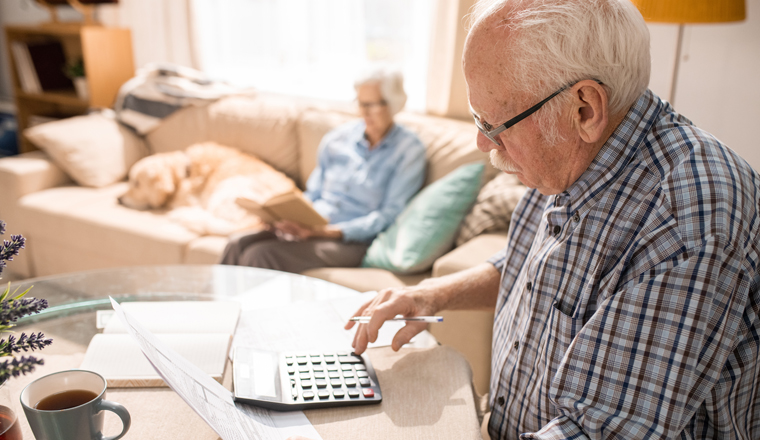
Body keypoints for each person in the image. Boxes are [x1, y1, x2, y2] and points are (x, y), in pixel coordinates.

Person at [312, 1, 758, 439]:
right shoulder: (577, 153)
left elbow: (599, 432)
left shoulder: (689, 219)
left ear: (584, 107)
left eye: (494, 124)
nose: (483, 144)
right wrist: (430, 294)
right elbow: (527, 267)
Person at [220, 68, 426, 274]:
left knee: (261, 254)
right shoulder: (337, 139)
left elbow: (389, 216)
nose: (364, 112)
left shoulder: (408, 151)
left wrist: (328, 233)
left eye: (371, 105)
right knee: (236, 243)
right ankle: (219, 306)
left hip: (352, 240)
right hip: (312, 227)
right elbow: (314, 194)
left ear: (393, 103)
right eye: (360, 103)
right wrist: (285, 218)